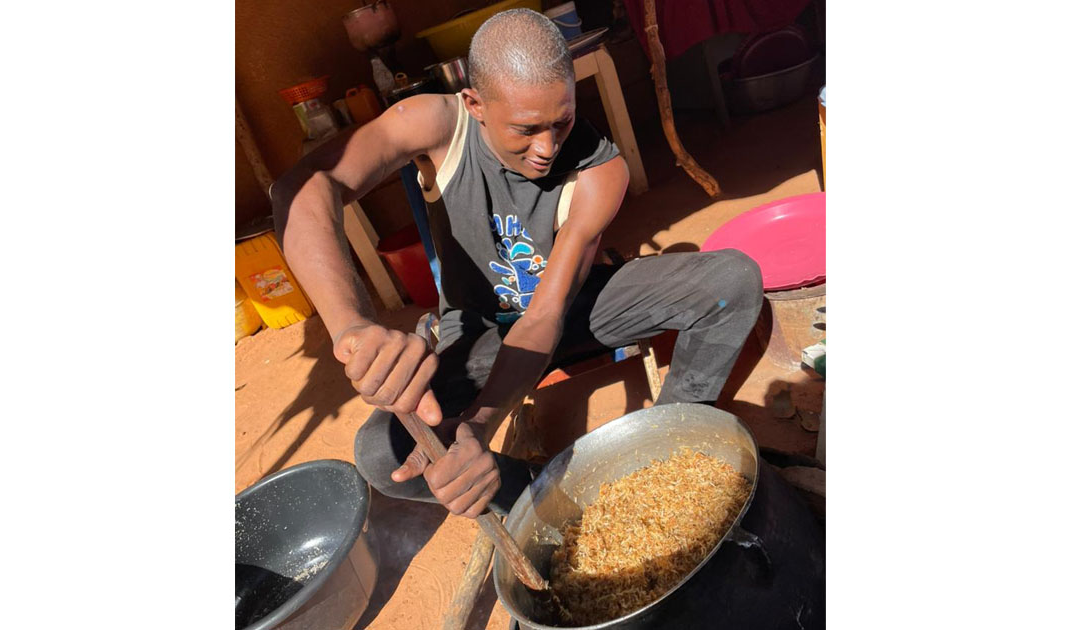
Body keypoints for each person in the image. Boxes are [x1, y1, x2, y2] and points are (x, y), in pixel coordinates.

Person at [270, 9, 762, 519]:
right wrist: (351, 324)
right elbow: (301, 190)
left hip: (572, 306)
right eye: (525, 130)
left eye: (561, 121)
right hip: (479, 329)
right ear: (475, 104)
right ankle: (545, 504)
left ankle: (672, 446)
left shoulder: (601, 167)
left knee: (731, 281)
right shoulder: (435, 125)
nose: (547, 148)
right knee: (382, 453)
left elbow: (545, 316)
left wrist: (478, 426)